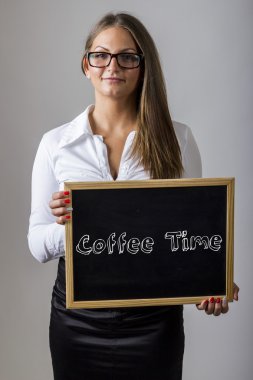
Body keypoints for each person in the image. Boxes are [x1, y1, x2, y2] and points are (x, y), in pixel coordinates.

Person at [28, 12, 239, 380]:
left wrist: (212, 282)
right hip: (76, 321)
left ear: (143, 67)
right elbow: (36, 243)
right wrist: (71, 228)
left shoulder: (179, 139)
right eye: (101, 55)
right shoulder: (55, 144)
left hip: (154, 323)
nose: (113, 65)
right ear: (86, 66)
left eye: (128, 56)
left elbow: (190, 238)